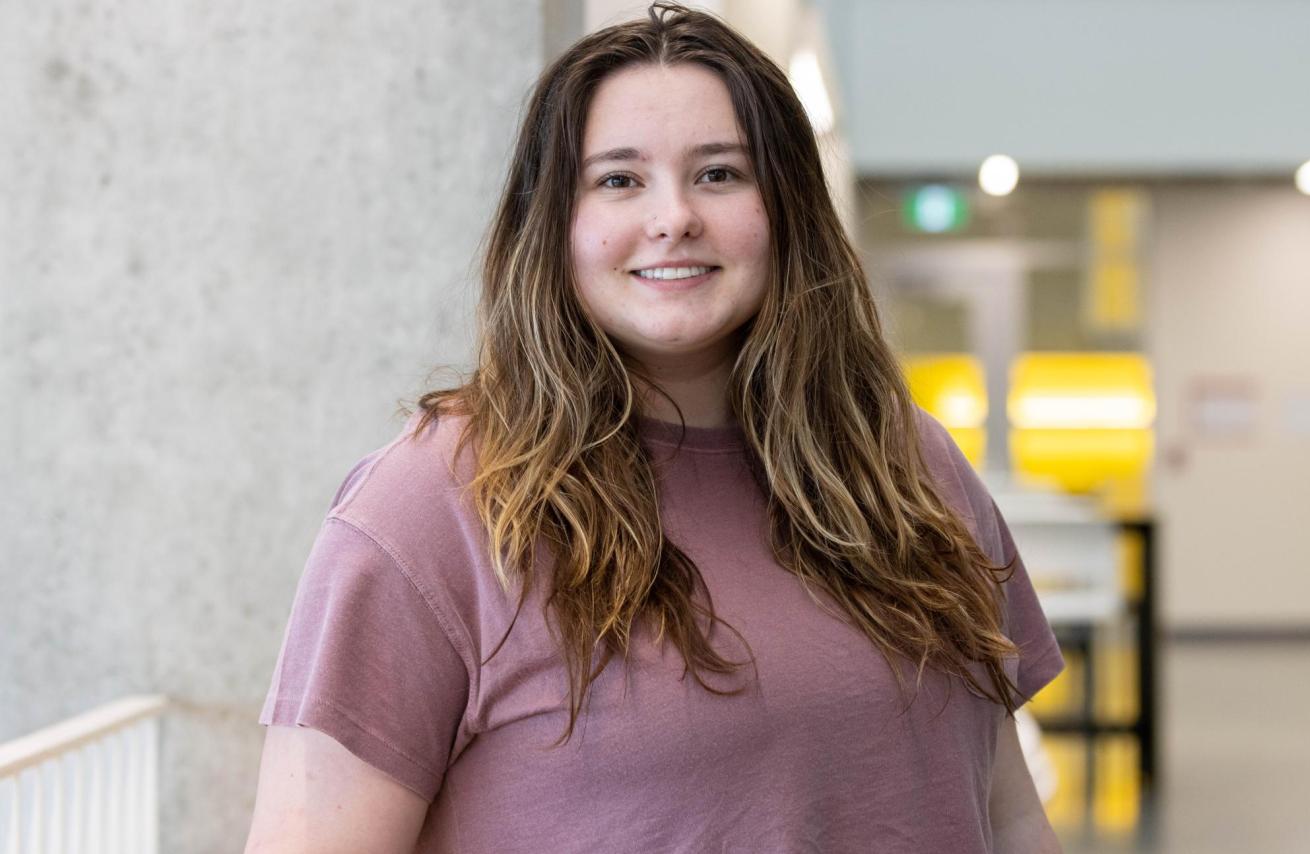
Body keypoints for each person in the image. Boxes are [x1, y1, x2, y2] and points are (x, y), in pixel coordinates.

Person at [244, 3, 1065, 852]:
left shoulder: (903, 462)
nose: (673, 217)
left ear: (786, 211)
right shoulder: (436, 505)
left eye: (719, 174)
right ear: (553, 224)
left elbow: (1005, 813)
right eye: (618, 179)